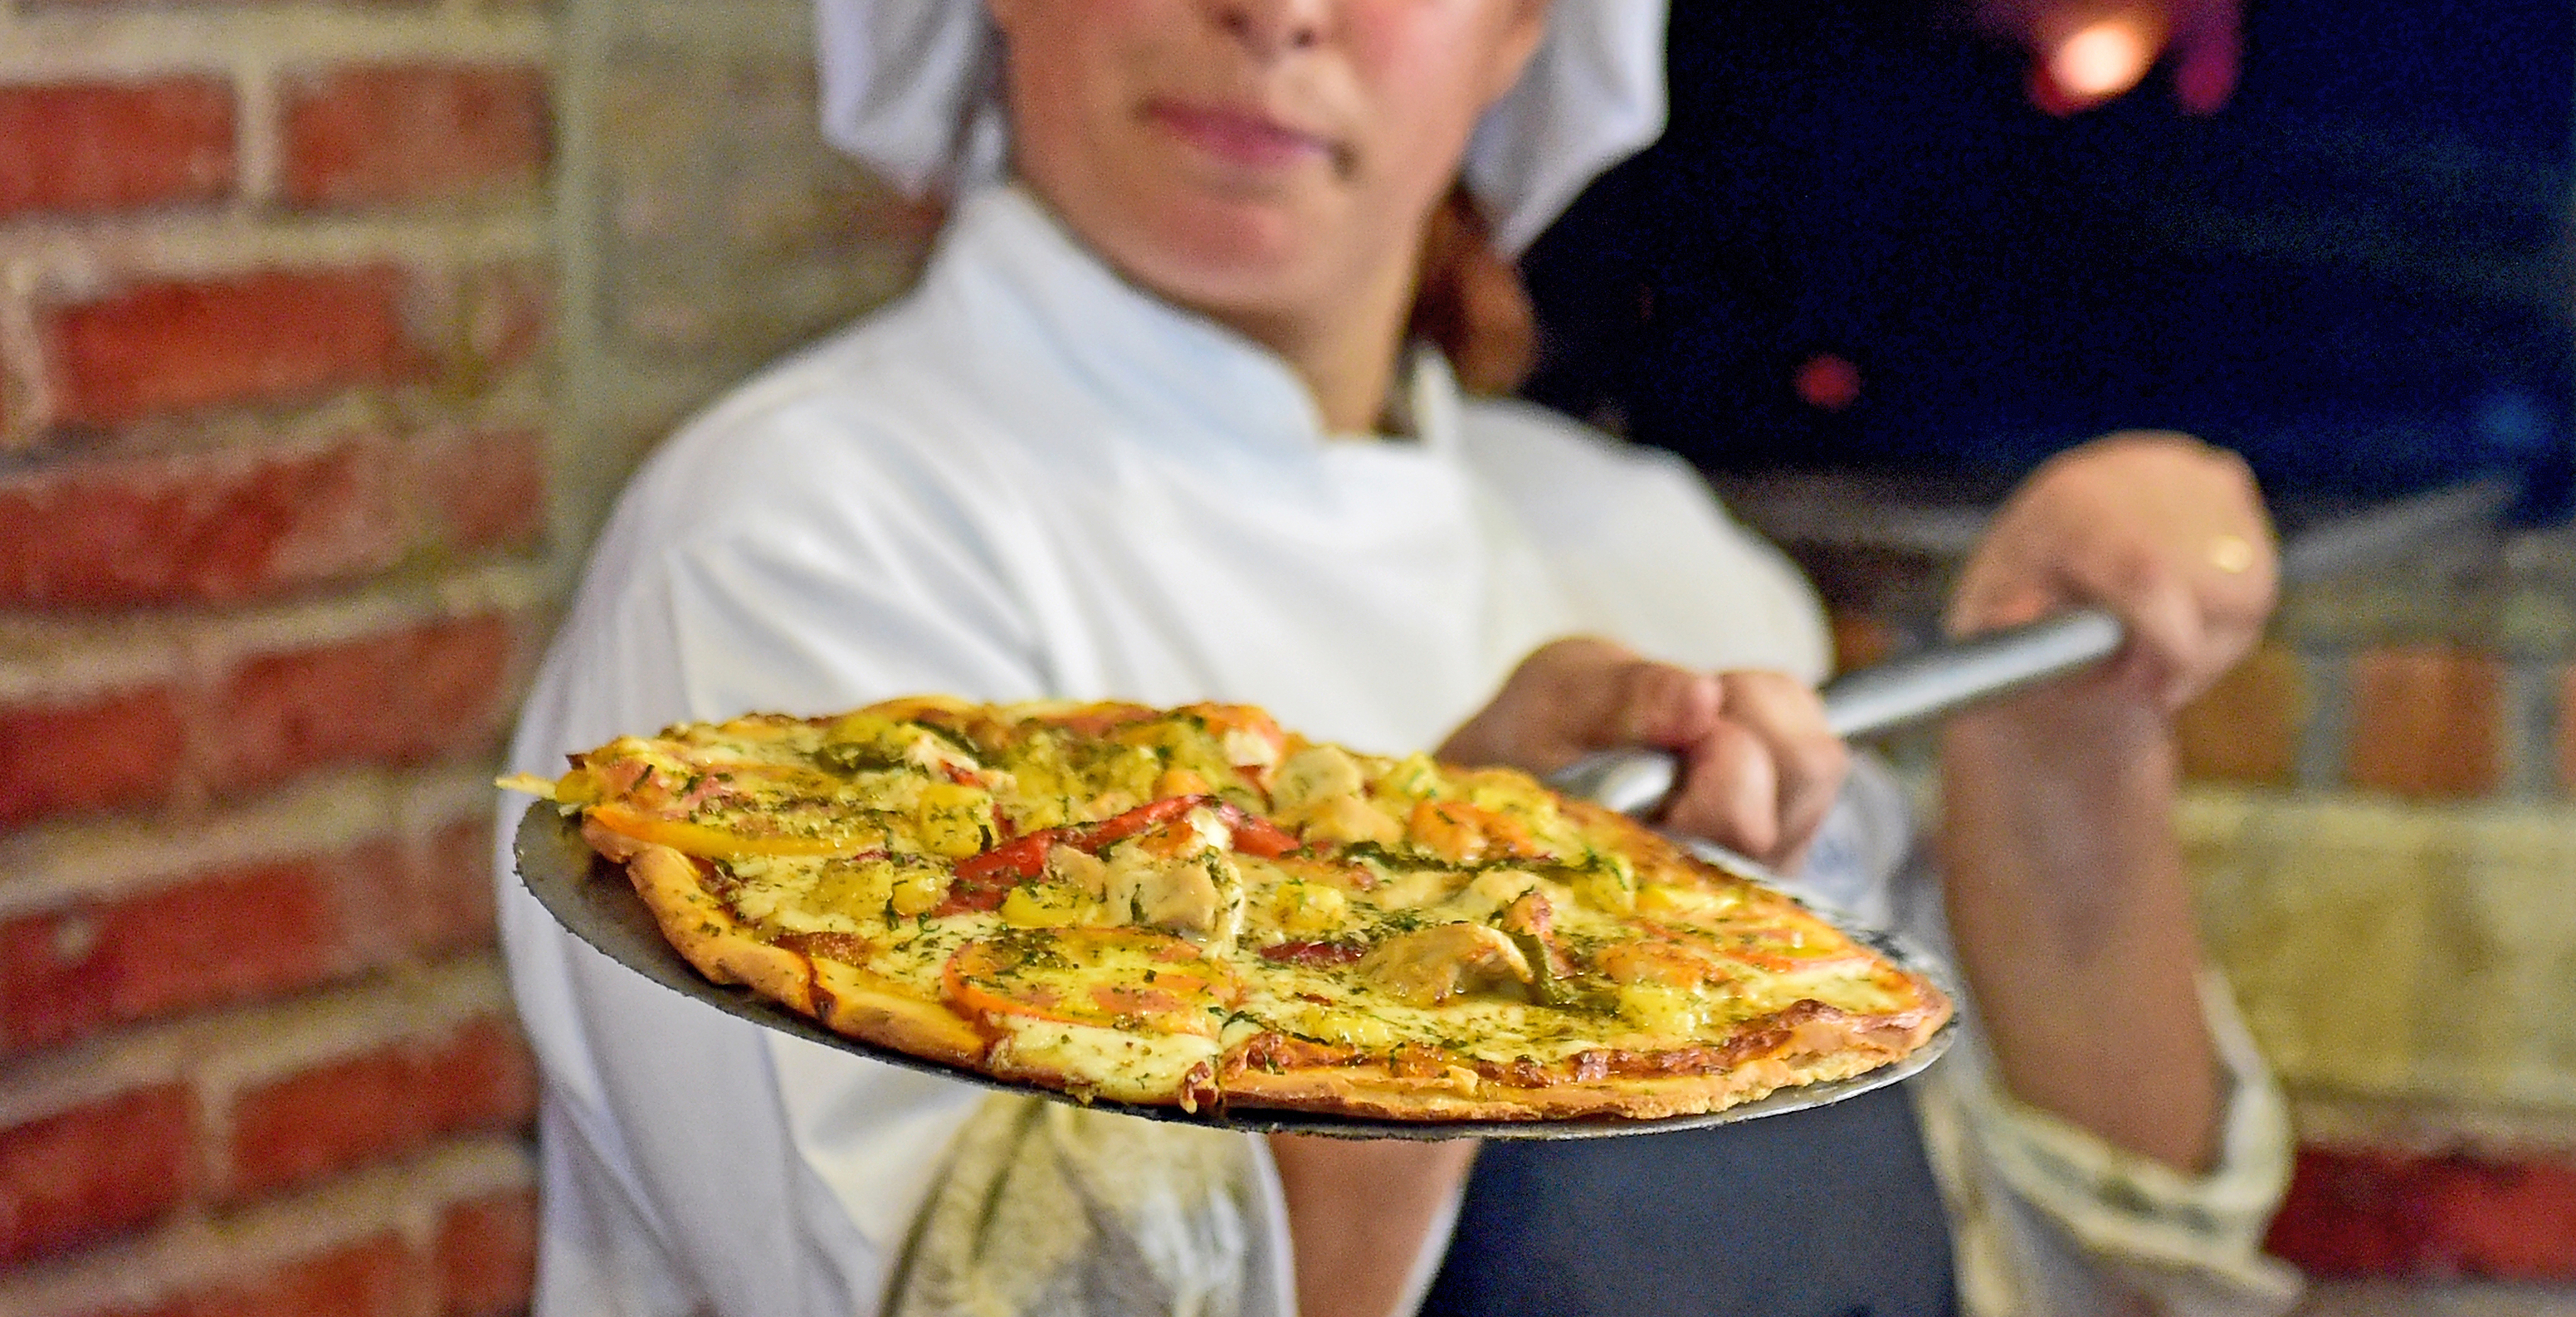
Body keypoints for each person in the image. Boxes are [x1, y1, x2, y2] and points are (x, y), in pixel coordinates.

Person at [493, 1, 2298, 1313]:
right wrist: (1427, 920)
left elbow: (2086, 1263)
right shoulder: (794, 553)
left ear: (1526, 31)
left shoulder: (1654, 549)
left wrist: (2056, 722)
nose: (1276, 14)